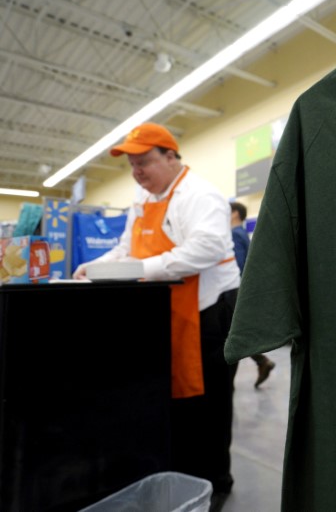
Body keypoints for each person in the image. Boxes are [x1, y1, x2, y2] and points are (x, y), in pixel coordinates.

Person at [74, 122, 240, 509]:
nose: (138, 173)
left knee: (211, 404)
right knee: (177, 402)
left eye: (144, 162)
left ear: (171, 157)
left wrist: (142, 269)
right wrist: (94, 266)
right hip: (167, 309)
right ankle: (179, 472)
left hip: (210, 312)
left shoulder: (199, 195)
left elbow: (208, 247)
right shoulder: (142, 197)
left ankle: (216, 483)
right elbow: (125, 247)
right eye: (132, 165)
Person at [230, 200, 275, 388]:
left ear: (235, 214)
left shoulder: (234, 234)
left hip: (235, 289)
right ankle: (261, 361)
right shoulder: (242, 234)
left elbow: (237, 263)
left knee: (232, 333)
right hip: (243, 289)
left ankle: (261, 361)